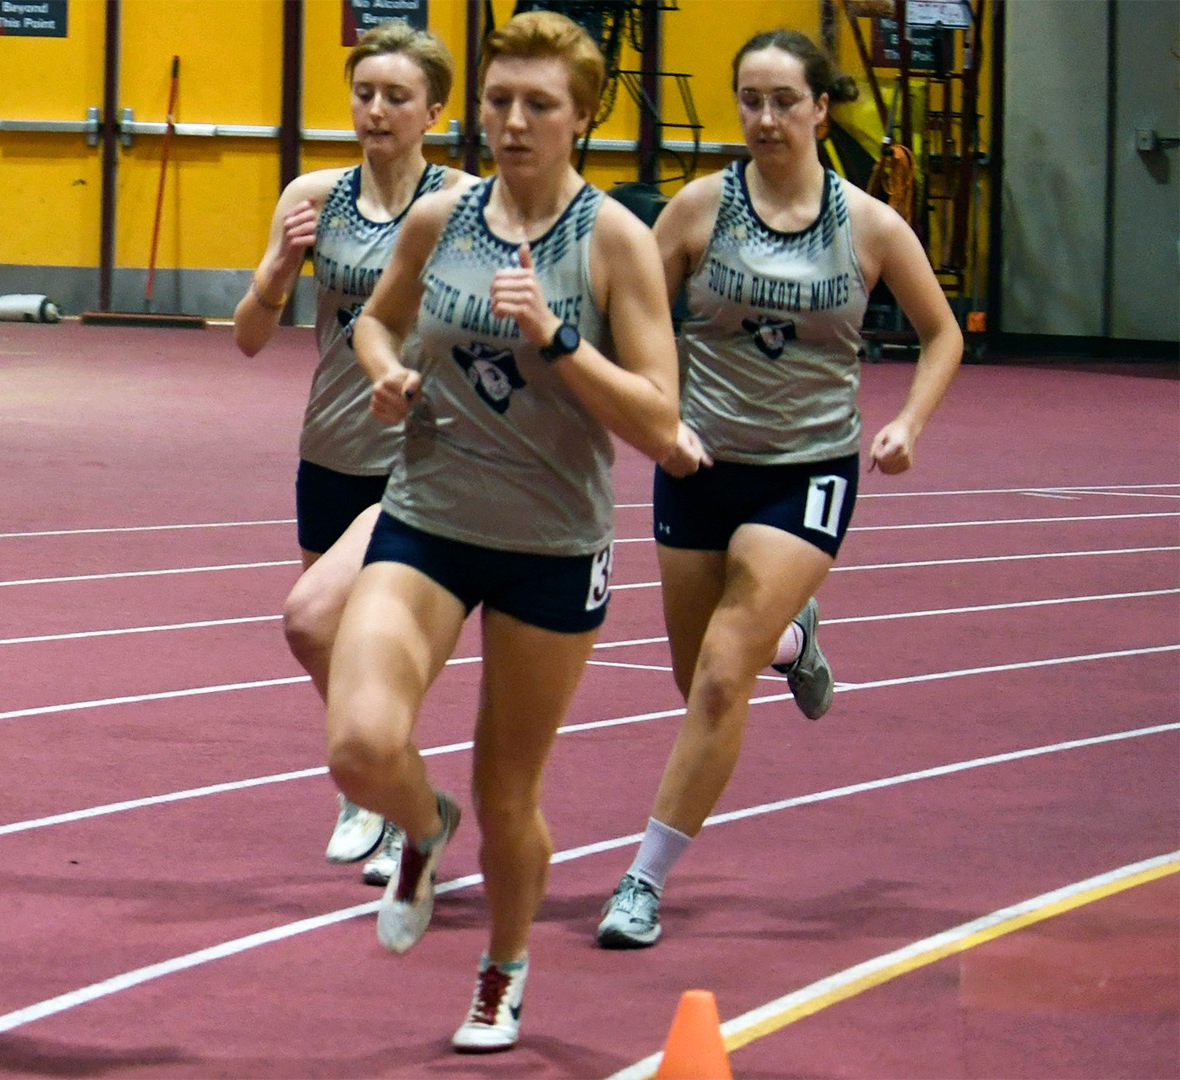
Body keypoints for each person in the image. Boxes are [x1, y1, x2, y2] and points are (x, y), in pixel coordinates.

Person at [330, 11, 682, 1052]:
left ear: (583, 118)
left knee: (510, 794)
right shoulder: (444, 217)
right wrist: (385, 370)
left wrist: (559, 338)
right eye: (498, 101)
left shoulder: (613, 240)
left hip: (551, 545)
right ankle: (421, 823)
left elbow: (660, 420)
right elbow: (376, 315)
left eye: (539, 106)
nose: (513, 123)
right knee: (358, 744)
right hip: (430, 516)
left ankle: (503, 971)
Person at [595, 28, 963, 950]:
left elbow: (942, 332)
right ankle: (794, 636)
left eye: (783, 101)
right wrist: (650, 407)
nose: (764, 118)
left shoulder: (871, 225)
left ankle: (642, 881)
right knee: (693, 680)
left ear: (819, 108)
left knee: (723, 675)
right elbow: (623, 298)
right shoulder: (697, 210)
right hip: (698, 466)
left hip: (808, 474)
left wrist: (908, 424)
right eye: (749, 100)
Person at [232, 22, 474, 888]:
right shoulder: (314, 196)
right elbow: (251, 338)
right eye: (365, 93)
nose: (376, 111)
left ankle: (379, 797)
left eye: (397, 97)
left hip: (419, 460)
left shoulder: (463, 207)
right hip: (328, 449)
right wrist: (278, 263)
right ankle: (388, 790)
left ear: (434, 111)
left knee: (314, 618)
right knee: (329, 643)